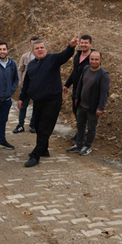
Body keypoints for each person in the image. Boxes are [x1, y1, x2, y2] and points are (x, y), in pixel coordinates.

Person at [18, 36, 79, 167]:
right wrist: (22, 98)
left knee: (45, 129)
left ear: (46, 49)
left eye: (42, 48)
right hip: (38, 101)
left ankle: (36, 156)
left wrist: (71, 46)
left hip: (52, 101)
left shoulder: (53, 59)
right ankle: (44, 150)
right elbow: (27, 83)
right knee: (39, 127)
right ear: (32, 51)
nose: (40, 50)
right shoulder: (32, 64)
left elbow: (65, 55)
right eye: (37, 48)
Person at [67, 51, 110, 155]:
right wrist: (77, 97)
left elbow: (104, 93)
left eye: (96, 59)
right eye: (92, 59)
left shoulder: (104, 75)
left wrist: (100, 107)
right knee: (80, 125)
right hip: (81, 105)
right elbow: (80, 84)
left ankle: (87, 146)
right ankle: (79, 145)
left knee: (91, 128)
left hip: (93, 107)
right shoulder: (86, 68)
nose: (94, 61)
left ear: (101, 60)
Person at [13, 36, 39, 134]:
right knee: (23, 105)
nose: (35, 46)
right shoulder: (25, 56)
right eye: (33, 44)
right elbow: (20, 70)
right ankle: (20, 125)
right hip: (26, 86)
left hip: (37, 87)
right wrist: (21, 82)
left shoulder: (43, 57)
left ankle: (33, 125)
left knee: (36, 106)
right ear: (30, 45)